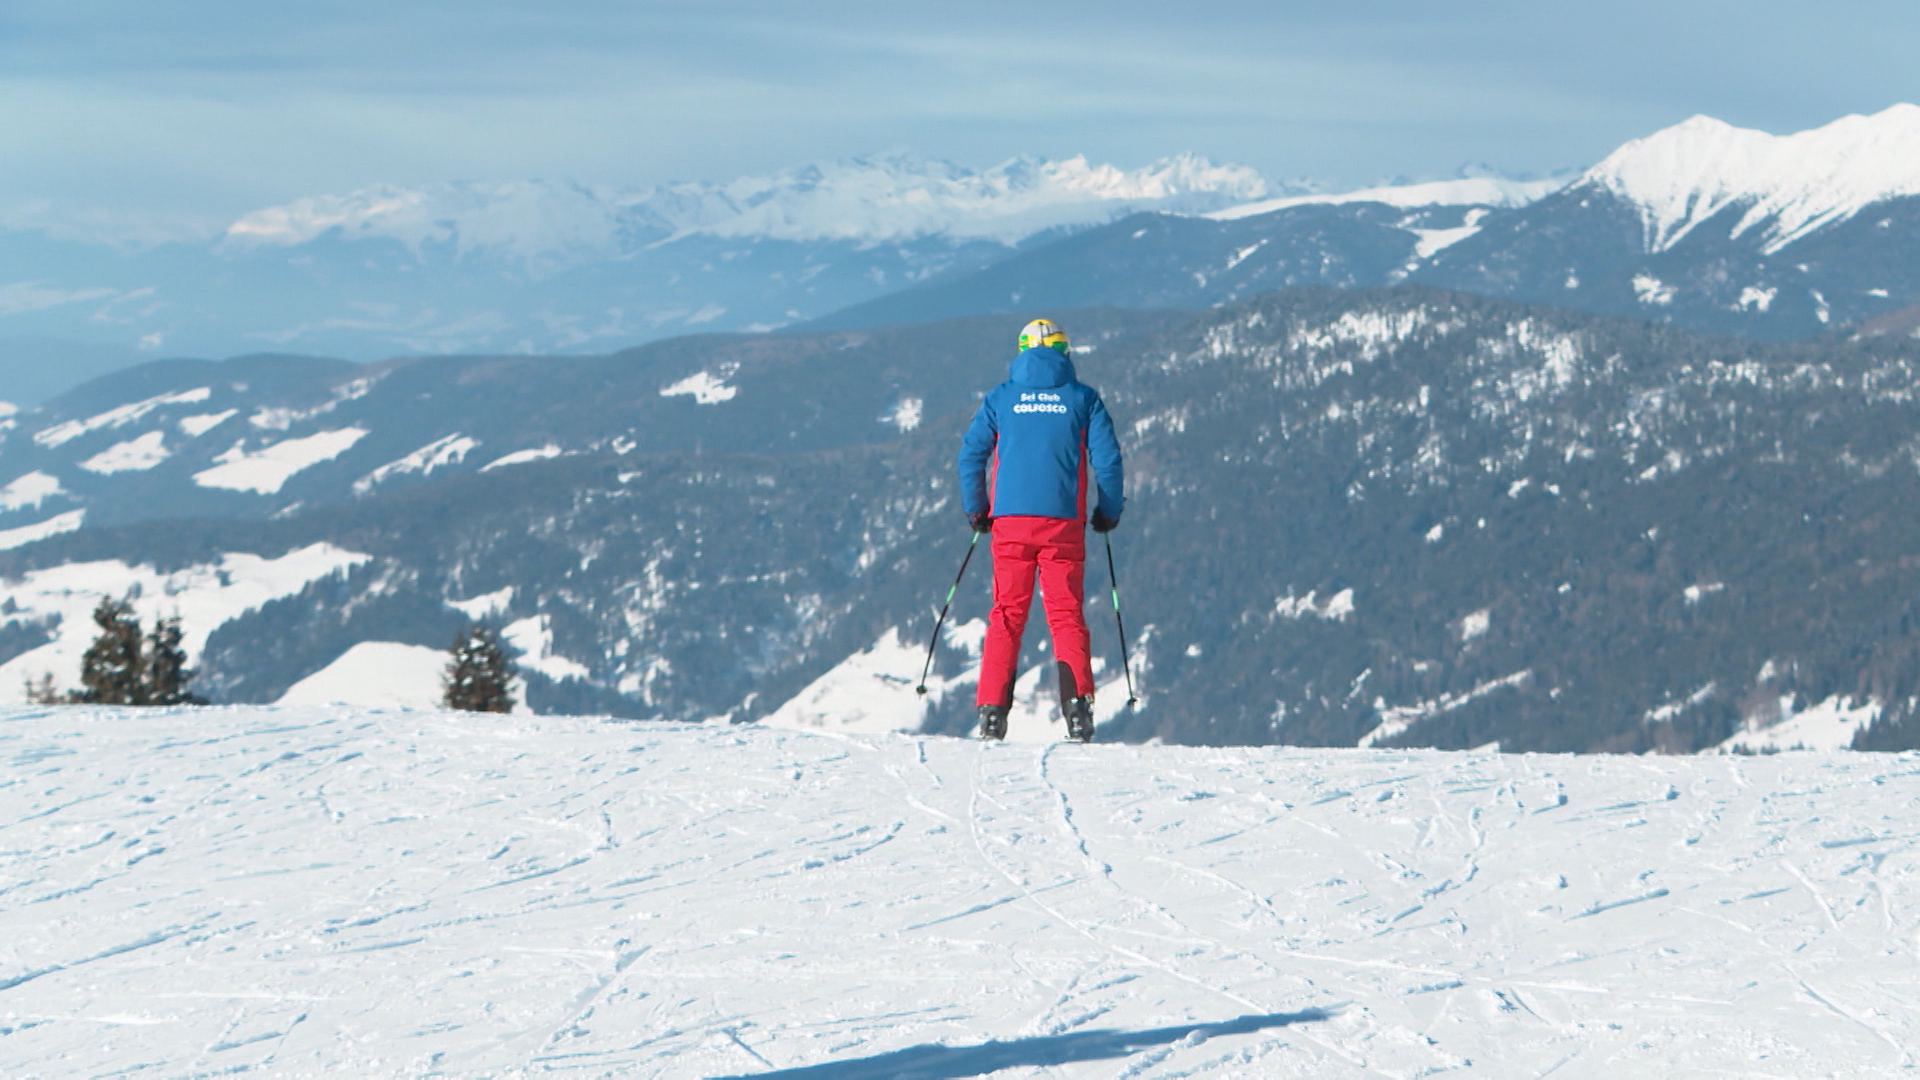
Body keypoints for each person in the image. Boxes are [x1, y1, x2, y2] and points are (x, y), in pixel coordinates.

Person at [957, 318, 1124, 742]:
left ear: (1021, 351)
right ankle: (1078, 714)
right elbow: (1108, 462)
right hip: (1063, 523)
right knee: (1066, 616)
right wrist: (1108, 512)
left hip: (1009, 522)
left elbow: (971, 456)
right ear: (1065, 351)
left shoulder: (1001, 398)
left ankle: (992, 715)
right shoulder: (1084, 399)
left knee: (1006, 615)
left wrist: (978, 510)